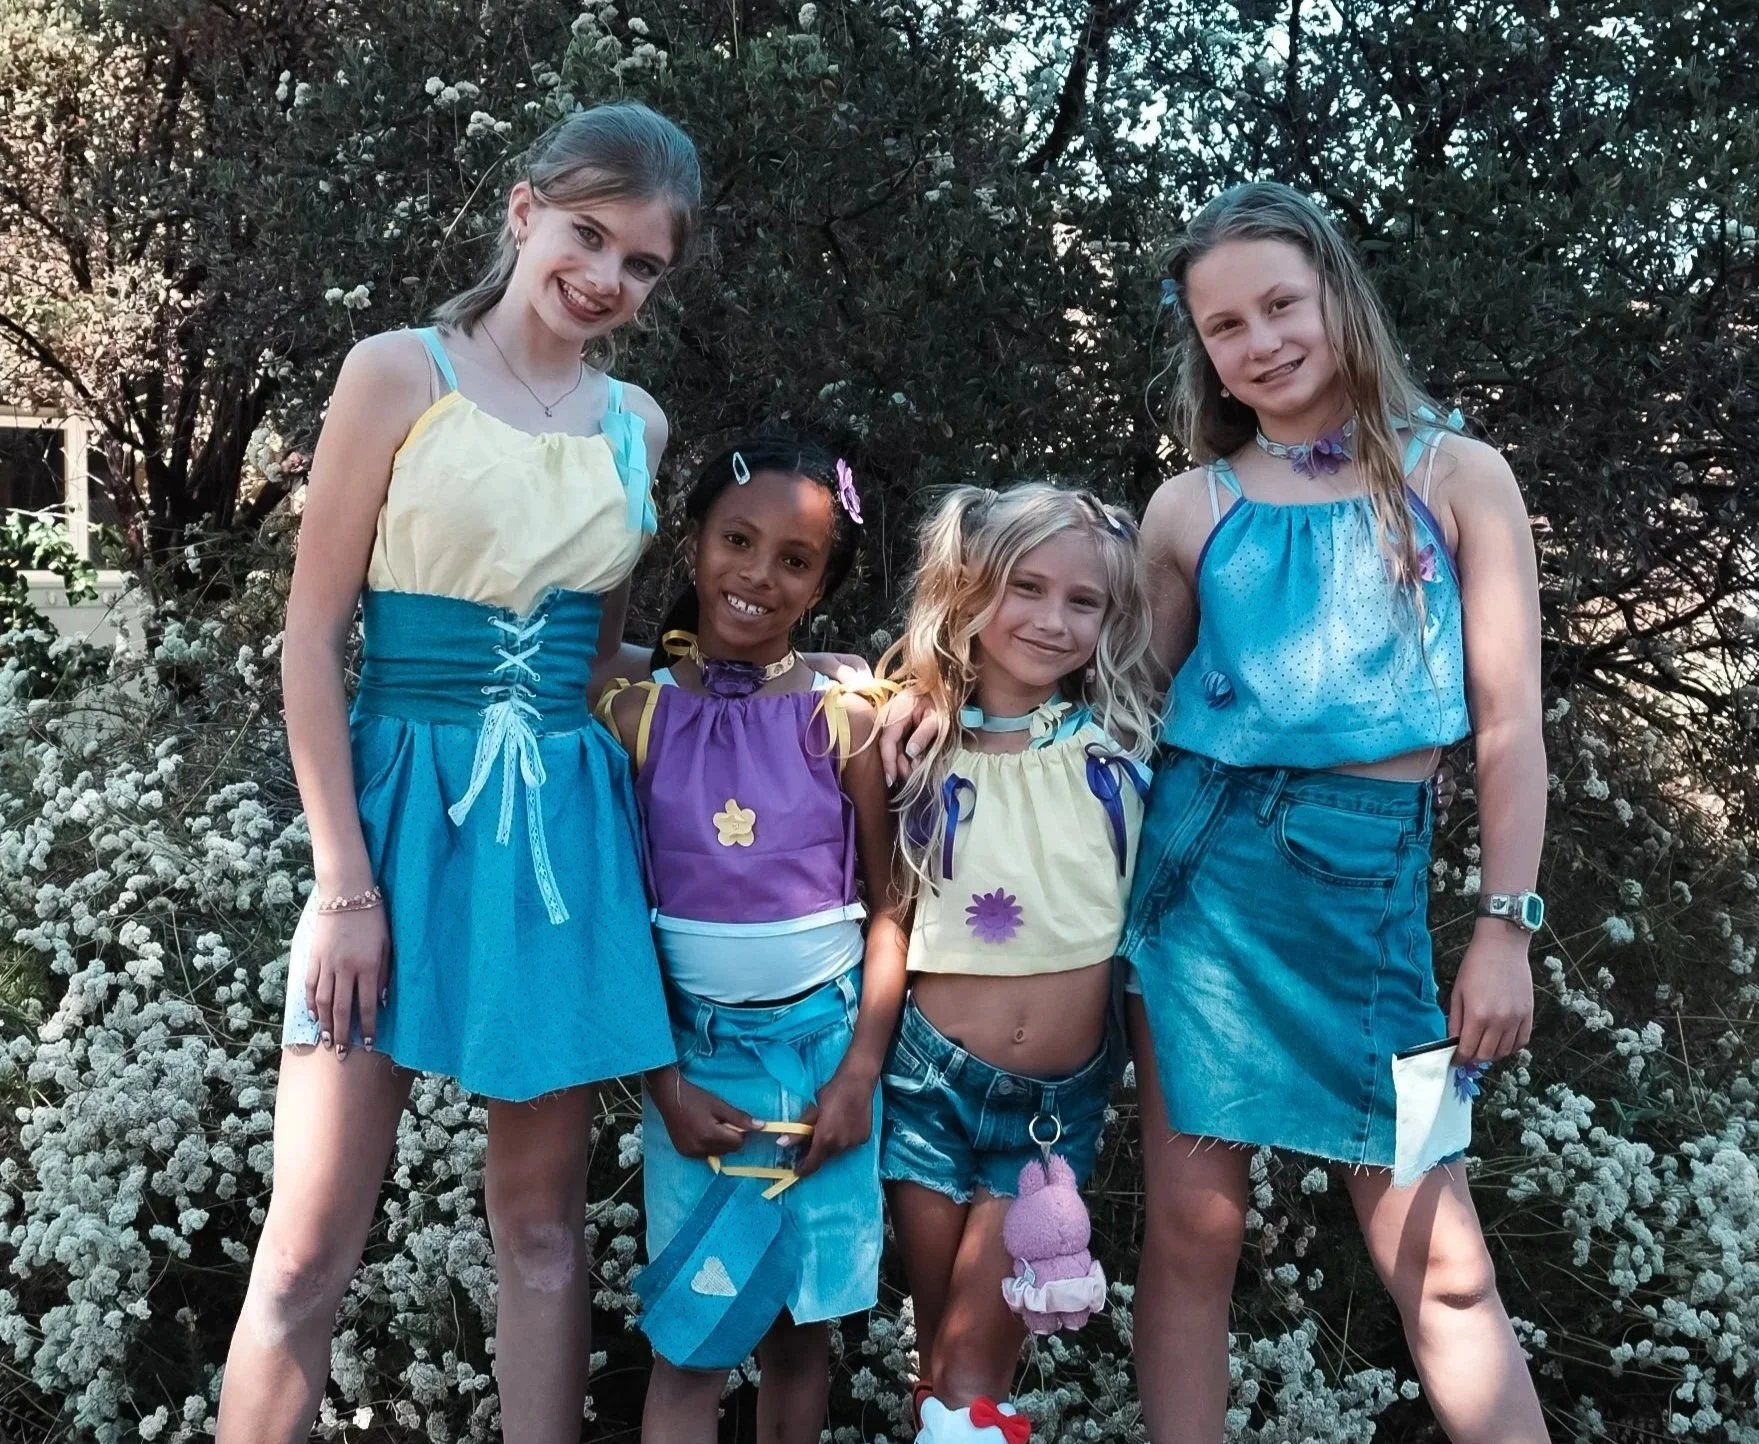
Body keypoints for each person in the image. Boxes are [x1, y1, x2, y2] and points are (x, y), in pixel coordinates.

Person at [218, 103, 700, 1444]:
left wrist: (777, 694)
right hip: (389, 815)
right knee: (310, 1245)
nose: (605, 276)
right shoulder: (398, 372)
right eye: (588, 233)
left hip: (557, 828)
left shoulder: (637, 426)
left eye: (641, 263)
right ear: (522, 208)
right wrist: (340, 882)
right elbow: (311, 641)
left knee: (541, 1234)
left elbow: (598, 665)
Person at [1119, 181, 1548, 1442]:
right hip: (1199, 888)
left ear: (1335, 298)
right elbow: (1121, 718)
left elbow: (1511, 725)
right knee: (1193, 1238)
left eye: (1278, 304)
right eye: (1222, 326)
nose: (1257, 341)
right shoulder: (1191, 507)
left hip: (1367, 903)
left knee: (1442, 1257)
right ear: (1201, 348)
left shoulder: (1456, 473)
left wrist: (1504, 926)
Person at [599, 437, 907, 1444]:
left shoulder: (845, 717)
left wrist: (860, 1072)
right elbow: (620, 919)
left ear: (821, 583)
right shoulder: (635, 715)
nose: (757, 574)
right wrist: (664, 1084)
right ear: (691, 545)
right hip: (694, 1069)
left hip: (824, 1065)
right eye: (735, 540)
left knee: (798, 1337)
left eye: (793, 559)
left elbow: (891, 902)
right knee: (692, 1334)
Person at [876, 484, 1158, 1441]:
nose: (1051, 619)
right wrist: (911, 694)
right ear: (967, 591)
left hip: (1048, 1116)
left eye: (1083, 602)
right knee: (941, 1359)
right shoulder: (913, 744)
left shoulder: (1123, 750)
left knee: (967, 1367)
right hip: (924, 1086)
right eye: (1024, 588)